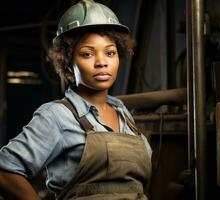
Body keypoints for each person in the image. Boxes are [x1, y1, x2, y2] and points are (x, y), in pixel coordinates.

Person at [0, 0, 152, 199]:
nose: (101, 62)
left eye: (110, 53)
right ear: (68, 61)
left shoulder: (124, 114)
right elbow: (5, 171)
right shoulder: (56, 115)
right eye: (87, 54)